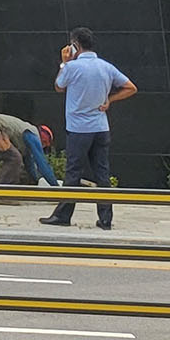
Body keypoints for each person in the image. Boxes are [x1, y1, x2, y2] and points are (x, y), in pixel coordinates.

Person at [42, 27, 135, 228]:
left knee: (73, 173)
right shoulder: (106, 67)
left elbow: (59, 86)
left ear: (75, 45)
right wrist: (110, 99)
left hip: (78, 129)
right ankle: (105, 218)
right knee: (102, 173)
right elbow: (130, 87)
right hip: (101, 127)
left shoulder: (72, 67)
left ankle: (63, 215)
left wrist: (64, 62)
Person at [0, 110, 58, 186]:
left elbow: (30, 166)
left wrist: (37, 180)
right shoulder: (33, 134)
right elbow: (42, 163)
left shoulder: (24, 141)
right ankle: (2, 193)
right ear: (43, 138)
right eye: (44, 144)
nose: (43, 147)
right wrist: (56, 186)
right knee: (15, 158)